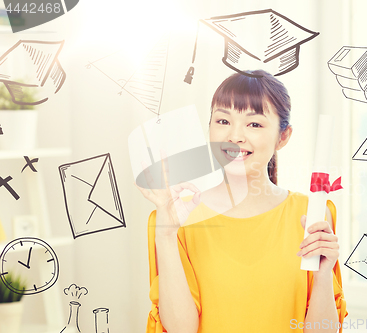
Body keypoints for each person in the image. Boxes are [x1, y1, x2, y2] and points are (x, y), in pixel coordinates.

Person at [138, 70, 347, 333]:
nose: (235, 136)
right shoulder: (176, 217)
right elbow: (182, 330)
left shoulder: (312, 215)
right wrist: (166, 236)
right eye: (223, 121)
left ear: (283, 136)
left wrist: (323, 276)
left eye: (254, 124)